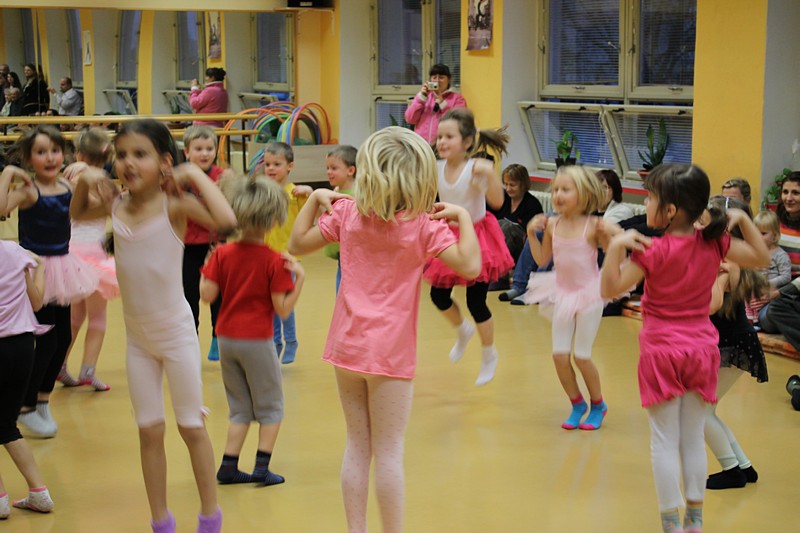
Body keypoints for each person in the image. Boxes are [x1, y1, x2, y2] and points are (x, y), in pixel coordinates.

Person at [288, 126, 481, 533]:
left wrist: (317, 200)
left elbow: (297, 244)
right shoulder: (424, 226)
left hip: (347, 347)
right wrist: (464, 216)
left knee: (357, 446)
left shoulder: (346, 213)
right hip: (390, 355)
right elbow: (471, 266)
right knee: (389, 452)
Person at [71, 119, 236, 533]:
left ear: (164, 162)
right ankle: (160, 521)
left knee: (190, 426)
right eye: (121, 155)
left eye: (140, 154)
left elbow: (227, 220)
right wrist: (85, 182)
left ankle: (210, 518)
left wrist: (192, 171)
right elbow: (77, 213)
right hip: (138, 341)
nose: (128, 163)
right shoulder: (115, 205)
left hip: (176, 334)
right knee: (149, 431)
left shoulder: (174, 206)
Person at [600, 164, 769, 533]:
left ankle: (671, 524)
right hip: (701, 351)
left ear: (671, 209)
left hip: (661, 352)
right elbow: (762, 258)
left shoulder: (653, 251)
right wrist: (741, 218)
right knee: (692, 438)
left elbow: (608, 289)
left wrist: (614, 248)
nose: (646, 204)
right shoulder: (714, 243)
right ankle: (694, 521)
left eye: (650, 198)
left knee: (664, 441)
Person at [200, 174, 304, 488]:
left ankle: (229, 466)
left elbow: (207, 295)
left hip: (226, 339)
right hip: (257, 340)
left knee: (240, 408)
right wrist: (299, 279)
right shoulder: (275, 261)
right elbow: (282, 309)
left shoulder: (222, 254)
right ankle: (261, 467)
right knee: (271, 407)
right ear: (273, 220)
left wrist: (208, 266)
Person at [0, 126, 99, 439]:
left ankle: (41, 401)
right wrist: (8, 174)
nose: (50, 157)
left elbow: (89, 207)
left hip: (63, 267)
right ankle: (25, 405)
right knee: (46, 341)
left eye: (55, 150)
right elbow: (1, 209)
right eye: (41, 152)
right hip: (38, 270)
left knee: (62, 338)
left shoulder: (67, 185)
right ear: (30, 158)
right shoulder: (29, 191)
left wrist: (89, 176)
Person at [424, 108, 513, 386]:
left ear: (467, 141)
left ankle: (489, 354)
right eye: (439, 137)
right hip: (447, 235)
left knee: (477, 302)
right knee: (438, 296)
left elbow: (498, 202)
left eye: (449, 137)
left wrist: (490, 174)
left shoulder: (475, 168)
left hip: (477, 238)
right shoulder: (436, 167)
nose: (441, 142)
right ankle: (463, 329)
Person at [524, 165, 614, 429]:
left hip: (589, 295)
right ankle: (577, 404)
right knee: (559, 356)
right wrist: (531, 233)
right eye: (555, 190)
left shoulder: (593, 226)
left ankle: (598, 404)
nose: (558, 195)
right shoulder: (553, 224)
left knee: (582, 356)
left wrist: (610, 236)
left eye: (565, 189)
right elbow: (543, 259)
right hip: (562, 293)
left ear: (584, 193)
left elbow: (613, 253)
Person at [703, 195, 769, 490]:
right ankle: (743, 465)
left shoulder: (727, 262)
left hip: (731, 345)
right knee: (706, 411)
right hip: (732, 342)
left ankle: (732, 470)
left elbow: (710, 306)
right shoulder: (725, 257)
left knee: (698, 413)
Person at [58, 128, 119, 391]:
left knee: (74, 317)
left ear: (79, 154)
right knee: (97, 317)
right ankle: (88, 370)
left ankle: (59, 364)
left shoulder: (70, 173)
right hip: (93, 254)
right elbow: (110, 206)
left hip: (71, 251)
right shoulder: (100, 179)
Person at [0, 241, 55, 519]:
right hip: (23, 347)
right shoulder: (15, 252)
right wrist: (40, 266)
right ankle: (38, 492)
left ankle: (0, 501)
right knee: (6, 424)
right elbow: (37, 303)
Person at [181, 126, 229, 362]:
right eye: (198, 149)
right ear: (187, 152)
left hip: (216, 245)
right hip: (188, 246)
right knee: (189, 296)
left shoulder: (223, 176)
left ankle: (218, 338)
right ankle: (191, 339)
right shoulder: (182, 178)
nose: (204, 153)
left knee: (218, 295)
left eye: (209, 149)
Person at [262, 142, 313, 364]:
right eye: (267, 164)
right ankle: (275, 341)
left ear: (290, 166)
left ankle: (291, 340)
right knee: (269, 302)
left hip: (286, 257)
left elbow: (312, 215)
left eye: (277, 164)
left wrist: (309, 192)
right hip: (265, 256)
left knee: (283, 301)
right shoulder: (264, 191)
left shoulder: (295, 193)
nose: (271, 168)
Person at [489, 163, 543, 265]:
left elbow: (532, 237)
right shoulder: (501, 197)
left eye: (512, 185)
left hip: (522, 248)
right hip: (498, 244)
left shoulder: (533, 205)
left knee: (507, 227)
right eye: (506, 184)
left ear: (523, 184)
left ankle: (498, 266)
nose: (508, 189)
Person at [745, 209, 791, 325]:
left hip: (772, 296)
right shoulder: (753, 252)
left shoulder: (780, 255)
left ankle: (757, 321)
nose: (758, 237)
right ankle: (750, 321)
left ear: (774, 236)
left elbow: (786, 276)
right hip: (752, 293)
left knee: (767, 315)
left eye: (763, 233)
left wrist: (767, 283)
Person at [322, 145, 357, 294]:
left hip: (353, 257)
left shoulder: (355, 196)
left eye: (334, 168)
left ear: (350, 170)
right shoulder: (336, 192)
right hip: (341, 256)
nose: (329, 172)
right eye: (327, 168)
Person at [404, 64, 467, 146]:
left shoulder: (457, 99)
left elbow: (457, 124)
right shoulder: (424, 97)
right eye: (434, 77)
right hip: (421, 145)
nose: (437, 80)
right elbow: (410, 119)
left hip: (444, 146)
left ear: (449, 79)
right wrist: (421, 97)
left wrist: (442, 103)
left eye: (441, 77)